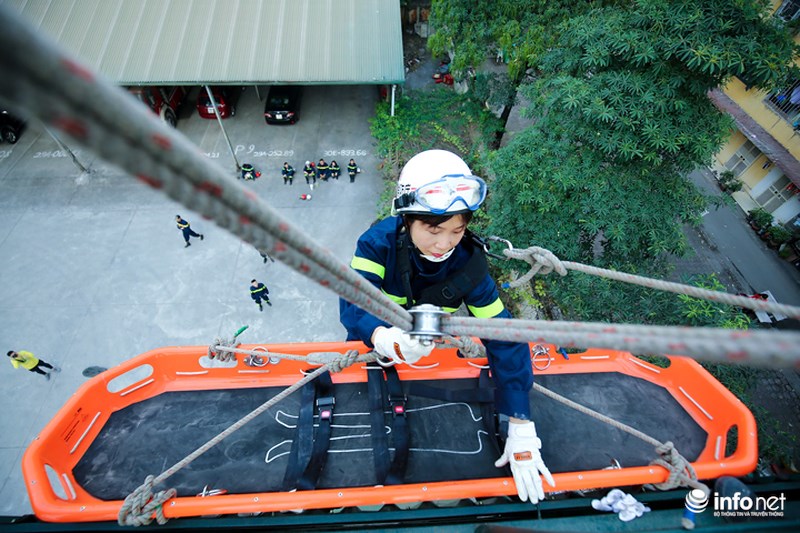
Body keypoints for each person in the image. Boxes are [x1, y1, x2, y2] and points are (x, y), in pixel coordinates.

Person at [339, 149, 554, 504]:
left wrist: (520, 421)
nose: (444, 244)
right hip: (375, 348)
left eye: (458, 230)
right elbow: (354, 299)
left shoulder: (469, 263)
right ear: (407, 219)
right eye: (433, 229)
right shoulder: (377, 244)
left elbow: (503, 335)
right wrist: (384, 338)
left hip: (430, 354)